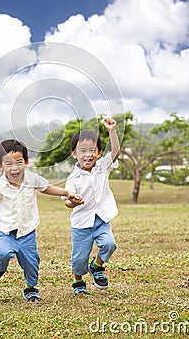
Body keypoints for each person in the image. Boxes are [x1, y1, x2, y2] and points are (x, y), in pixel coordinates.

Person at [0, 139, 83, 302]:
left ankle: (31, 288)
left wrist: (67, 193)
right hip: (5, 231)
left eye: (19, 162)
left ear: (26, 161)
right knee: (3, 253)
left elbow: (46, 188)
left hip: (27, 231)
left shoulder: (32, 179)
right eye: (8, 163)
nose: (14, 168)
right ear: (0, 166)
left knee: (31, 262)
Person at [64, 118, 120, 296]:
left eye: (93, 150)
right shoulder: (73, 179)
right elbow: (67, 202)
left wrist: (112, 131)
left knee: (109, 244)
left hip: (102, 218)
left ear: (99, 152)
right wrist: (74, 201)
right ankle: (78, 280)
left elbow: (116, 152)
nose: (88, 155)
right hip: (81, 223)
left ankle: (97, 266)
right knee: (79, 259)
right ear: (74, 154)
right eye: (83, 151)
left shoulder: (103, 167)